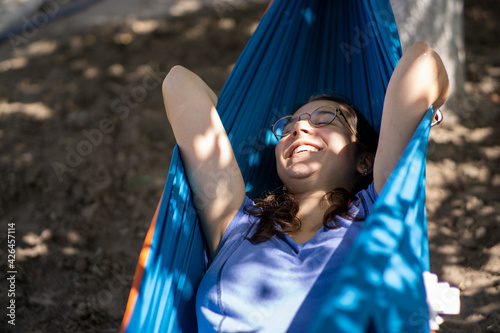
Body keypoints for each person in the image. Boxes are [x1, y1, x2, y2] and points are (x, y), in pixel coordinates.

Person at [162, 41, 449, 332]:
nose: (298, 128)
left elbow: (422, 61)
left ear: (365, 161)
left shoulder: (378, 209)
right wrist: (230, 129)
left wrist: (428, 114)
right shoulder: (234, 221)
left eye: (325, 119)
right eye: (287, 129)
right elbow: (178, 84)